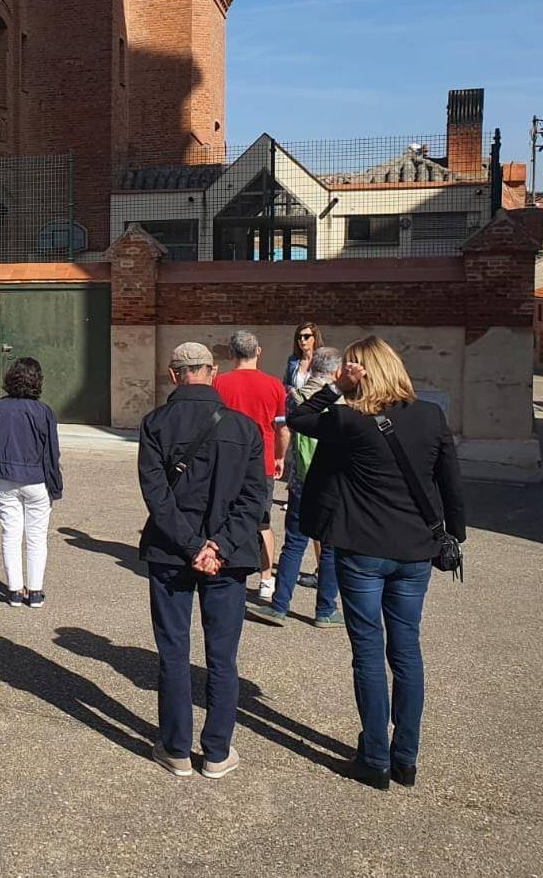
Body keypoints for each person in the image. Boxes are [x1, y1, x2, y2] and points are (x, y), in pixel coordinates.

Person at [289, 336, 467, 791]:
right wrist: (454, 536)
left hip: (363, 549)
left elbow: (297, 417)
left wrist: (331, 385)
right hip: (415, 552)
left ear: (360, 372)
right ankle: (405, 757)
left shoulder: (349, 419)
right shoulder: (431, 416)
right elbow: (451, 483)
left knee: (368, 652)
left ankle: (375, 758)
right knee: (406, 651)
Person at [138, 342, 266, 780]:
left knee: (173, 651)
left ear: (174, 375)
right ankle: (216, 750)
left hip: (172, 551)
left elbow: (157, 497)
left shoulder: (155, 423)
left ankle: (175, 748)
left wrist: (193, 545)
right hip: (226, 557)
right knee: (222, 656)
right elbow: (255, 499)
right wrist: (219, 546)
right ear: (211, 372)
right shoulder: (246, 428)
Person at [249, 347, 343, 629]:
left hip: (302, 479)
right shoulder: (343, 401)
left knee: (294, 543)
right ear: (337, 372)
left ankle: (279, 606)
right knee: (329, 546)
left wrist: (282, 460)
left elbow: (286, 429)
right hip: (333, 482)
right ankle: (325, 609)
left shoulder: (296, 396)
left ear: (313, 367)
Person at [214, 330, 290, 601]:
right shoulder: (274, 385)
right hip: (263, 461)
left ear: (231, 353)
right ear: (258, 352)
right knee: (262, 522)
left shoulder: (219, 384)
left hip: (227, 462)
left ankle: (224, 566)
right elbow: (282, 429)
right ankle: (266, 579)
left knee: (224, 516)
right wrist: (280, 457)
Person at [0, 357, 63, 609]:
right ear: (38, 381)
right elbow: (51, 452)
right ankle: (35, 591)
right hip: (36, 479)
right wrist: (56, 485)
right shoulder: (43, 411)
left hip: (3, 478)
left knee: (11, 533)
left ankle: (15, 590)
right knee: (37, 536)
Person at [286, 322, 321, 390]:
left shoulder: (323, 360)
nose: (302, 339)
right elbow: (286, 385)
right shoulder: (293, 361)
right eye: (299, 337)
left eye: (306, 336)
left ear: (315, 338)